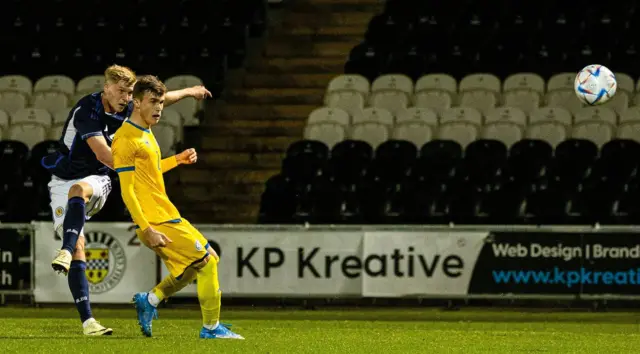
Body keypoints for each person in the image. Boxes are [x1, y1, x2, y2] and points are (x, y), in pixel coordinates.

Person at [42, 64, 212, 336]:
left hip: (99, 178)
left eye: (129, 92)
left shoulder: (129, 107)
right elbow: (103, 155)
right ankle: (89, 323)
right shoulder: (88, 111)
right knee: (79, 248)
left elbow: (160, 99)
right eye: (120, 91)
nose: (125, 97)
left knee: (79, 191)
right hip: (64, 178)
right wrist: (139, 165)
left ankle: (64, 248)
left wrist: (191, 91)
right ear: (106, 87)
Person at [111, 75, 243, 339]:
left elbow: (150, 173)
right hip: (154, 220)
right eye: (153, 102)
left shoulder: (144, 132)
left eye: (161, 102)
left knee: (195, 266)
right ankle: (211, 328)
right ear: (136, 103)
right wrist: (146, 228)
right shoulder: (126, 140)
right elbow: (127, 190)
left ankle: (151, 299)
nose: (159, 107)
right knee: (207, 263)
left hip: (164, 214)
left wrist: (177, 160)